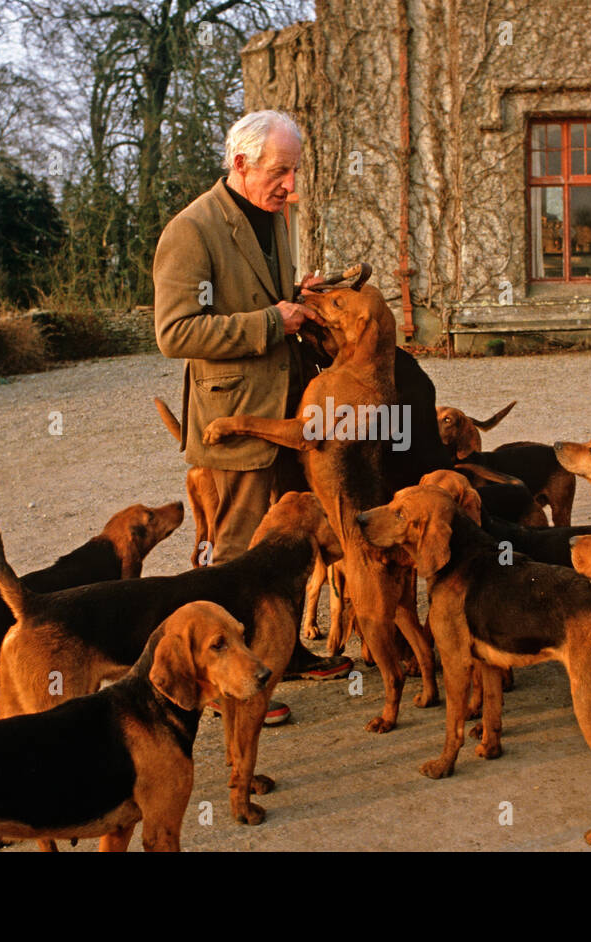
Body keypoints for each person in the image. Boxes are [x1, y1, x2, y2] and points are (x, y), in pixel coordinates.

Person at [152, 111, 351, 722]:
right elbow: (174, 331)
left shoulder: (271, 217)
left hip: (289, 413)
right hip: (233, 414)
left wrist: (299, 293)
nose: (291, 186)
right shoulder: (191, 230)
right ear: (240, 164)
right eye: (281, 172)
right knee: (237, 558)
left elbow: (263, 290)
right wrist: (274, 321)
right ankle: (228, 689)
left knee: (289, 544)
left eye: (293, 171)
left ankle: (282, 656)